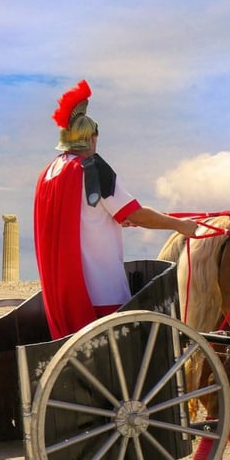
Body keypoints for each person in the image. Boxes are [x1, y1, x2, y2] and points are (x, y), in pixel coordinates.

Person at [34, 79, 199, 340]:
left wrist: (112, 217)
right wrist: (180, 225)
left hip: (60, 292)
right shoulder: (92, 168)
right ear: (91, 138)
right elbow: (135, 214)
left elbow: (84, 215)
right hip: (99, 290)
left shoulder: (50, 172)